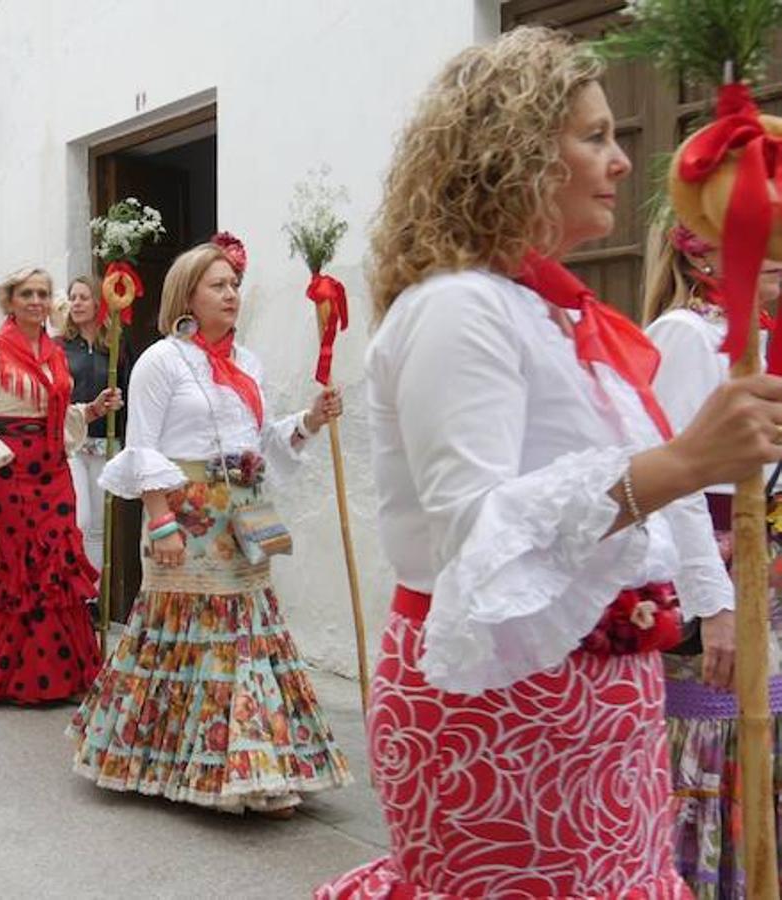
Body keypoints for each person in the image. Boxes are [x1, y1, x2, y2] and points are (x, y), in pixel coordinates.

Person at [317, 28, 782, 897]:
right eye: (593, 136)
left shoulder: (547, 311)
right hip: (501, 710)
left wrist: (707, 583)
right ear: (514, 154)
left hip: (589, 714)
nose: (621, 159)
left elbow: (634, 489)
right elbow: (476, 530)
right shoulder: (458, 308)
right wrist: (686, 461)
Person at [68, 239, 351, 815]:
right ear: (187, 295)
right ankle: (205, 767)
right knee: (190, 635)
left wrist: (309, 421)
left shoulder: (248, 363)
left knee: (245, 634)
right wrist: (160, 522)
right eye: (218, 285)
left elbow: (260, 439)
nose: (231, 295)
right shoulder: (161, 360)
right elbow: (142, 446)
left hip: (243, 511)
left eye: (234, 285)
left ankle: (255, 765)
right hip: (185, 513)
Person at [642, 220, 782, 897]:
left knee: (759, 728)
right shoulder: (686, 336)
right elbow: (677, 483)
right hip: (713, 571)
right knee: (711, 730)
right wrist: (714, 606)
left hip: (763, 563)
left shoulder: (756, 340)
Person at [0, 268, 122, 705]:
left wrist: (93, 410)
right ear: (10, 300)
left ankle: (65, 672)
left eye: (43, 293)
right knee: (21, 565)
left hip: (54, 467)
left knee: (59, 560)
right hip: (10, 469)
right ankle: (16, 677)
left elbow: (56, 411)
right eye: (27, 294)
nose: (36, 301)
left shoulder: (56, 352)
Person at [60, 275, 131, 579]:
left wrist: (120, 405)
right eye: (72, 298)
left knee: (100, 526)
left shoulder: (115, 346)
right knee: (80, 519)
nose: (76, 303)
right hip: (72, 443)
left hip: (106, 442)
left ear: (98, 303)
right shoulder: (60, 347)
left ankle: (93, 595)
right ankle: (74, 586)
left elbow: (129, 390)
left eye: (83, 297)